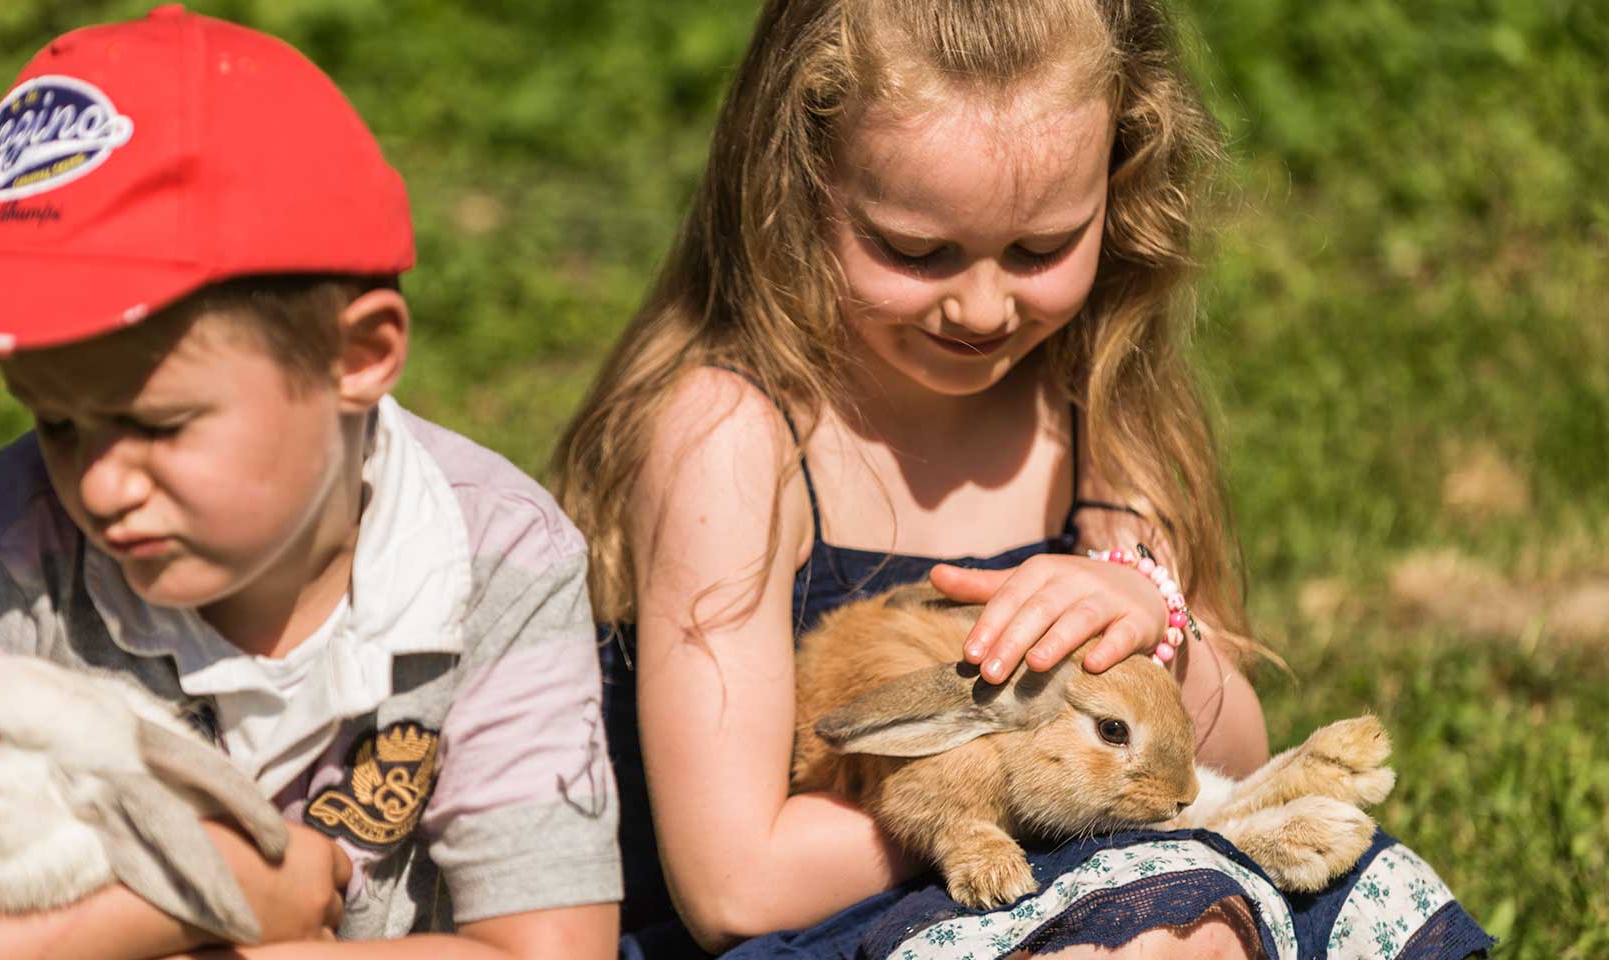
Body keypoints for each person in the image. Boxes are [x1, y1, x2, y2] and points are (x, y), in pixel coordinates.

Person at [551, 0, 1492, 957]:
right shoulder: (738, 439)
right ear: (798, 188)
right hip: (833, 918)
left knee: (1228, 912)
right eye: (916, 251)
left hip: (1102, 856)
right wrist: (1000, 808)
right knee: (1167, 931)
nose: (982, 306)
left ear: (1118, 181)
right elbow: (737, 887)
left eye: (1042, 248)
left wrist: (1152, 617)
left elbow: (1219, 762)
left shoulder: (1098, 414)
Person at [0, 7, 619, 959]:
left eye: (159, 423)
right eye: (54, 422)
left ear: (358, 358)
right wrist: (189, 900)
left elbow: (546, 950)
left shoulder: (497, 559)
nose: (104, 483)